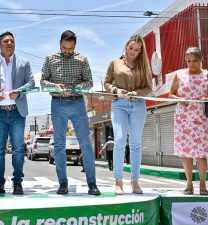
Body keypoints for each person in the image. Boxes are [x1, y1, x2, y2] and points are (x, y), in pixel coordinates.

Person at [41, 30, 100, 195]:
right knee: (59, 145)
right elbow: (43, 82)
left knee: (86, 144)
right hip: (58, 104)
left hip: (77, 103)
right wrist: (55, 86)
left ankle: (92, 184)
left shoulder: (82, 59)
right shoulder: (50, 59)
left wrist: (75, 88)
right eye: (64, 47)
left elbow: (89, 82)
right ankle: (63, 184)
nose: (67, 51)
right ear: (60, 43)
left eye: (71, 48)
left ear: (75, 46)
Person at [0, 31, 35, 195]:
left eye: (12, 41)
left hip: (17, 112)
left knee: (18, 149)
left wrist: (19, 92)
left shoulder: (24, 62)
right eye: (6, 41)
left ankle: (18, 183)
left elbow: (31, 82)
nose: (9, 43)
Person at [104, 35, 152, 195]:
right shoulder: (115, 63)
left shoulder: (144, 65)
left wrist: (135, 93)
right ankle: (118, 181)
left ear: (141, 51)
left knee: (136, 143)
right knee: (119, 140)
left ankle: (135, 181)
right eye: (131, 48)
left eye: (137, 50)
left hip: (138, 105)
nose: (133, 52)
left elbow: (148, 88)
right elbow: (107, 83)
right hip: (119, 105)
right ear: (126, 46)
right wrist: (117, 91)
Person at [168, 47, 208, 195]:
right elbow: (171, 94)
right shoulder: (179, 74)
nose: (191, 64)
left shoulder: (207, 75)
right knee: (187, 153)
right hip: (183, 119)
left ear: (201, 59)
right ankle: (189, 184)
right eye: (188, 61)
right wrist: (180, 99)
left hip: (202, 119)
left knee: (202, 154)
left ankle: (203, 184)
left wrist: (205, 98)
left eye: (195, 61)